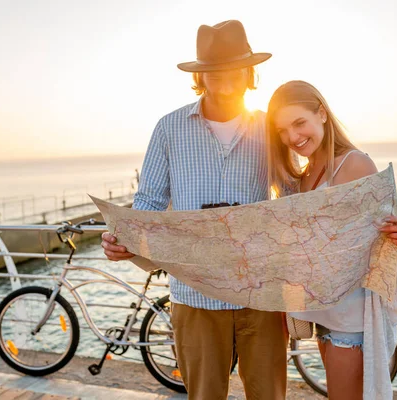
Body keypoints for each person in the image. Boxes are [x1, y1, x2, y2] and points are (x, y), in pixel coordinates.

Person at [101, 20, 288, 400]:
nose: (224, 76)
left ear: (249, 71)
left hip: (261, 293)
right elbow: (149, 204)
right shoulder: (169, 128)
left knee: (269, 395)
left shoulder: (270, 128)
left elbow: (297, 195)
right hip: (194, 295)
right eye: (213, 69)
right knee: (203, 396)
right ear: (200, 75)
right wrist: (124, 239)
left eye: (234, 67)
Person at [266, 80, 397, 399]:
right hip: (326, 316)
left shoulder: (354, 164)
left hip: (352, 321)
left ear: (321, 113)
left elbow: (384, 243)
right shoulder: (306, 174)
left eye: (299, 123)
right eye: (282, 130)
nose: (292, 137)